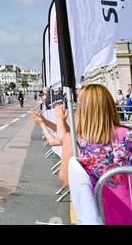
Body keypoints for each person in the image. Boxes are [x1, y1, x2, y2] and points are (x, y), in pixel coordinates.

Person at [56, 84, 132, 225]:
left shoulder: (74, 140)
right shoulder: (127, 135)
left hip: (95, 213)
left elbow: (66, 179)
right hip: (127, 210)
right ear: (110, 106)